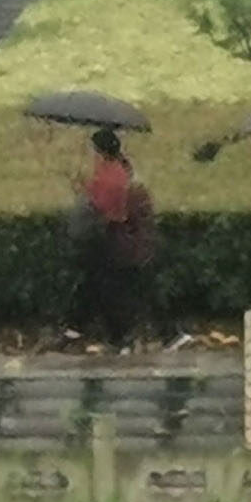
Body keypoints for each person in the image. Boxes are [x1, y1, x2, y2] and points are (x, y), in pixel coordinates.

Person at [72, 127, 157, 349]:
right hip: (126, 243)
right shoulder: (119, 171)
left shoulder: (112, 176)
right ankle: (86, 330)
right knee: (108, 289)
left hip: (119, 245)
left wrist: (88, 199)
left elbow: (112, 212)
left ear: (99, 151)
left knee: (111, 291)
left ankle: (118, 338)